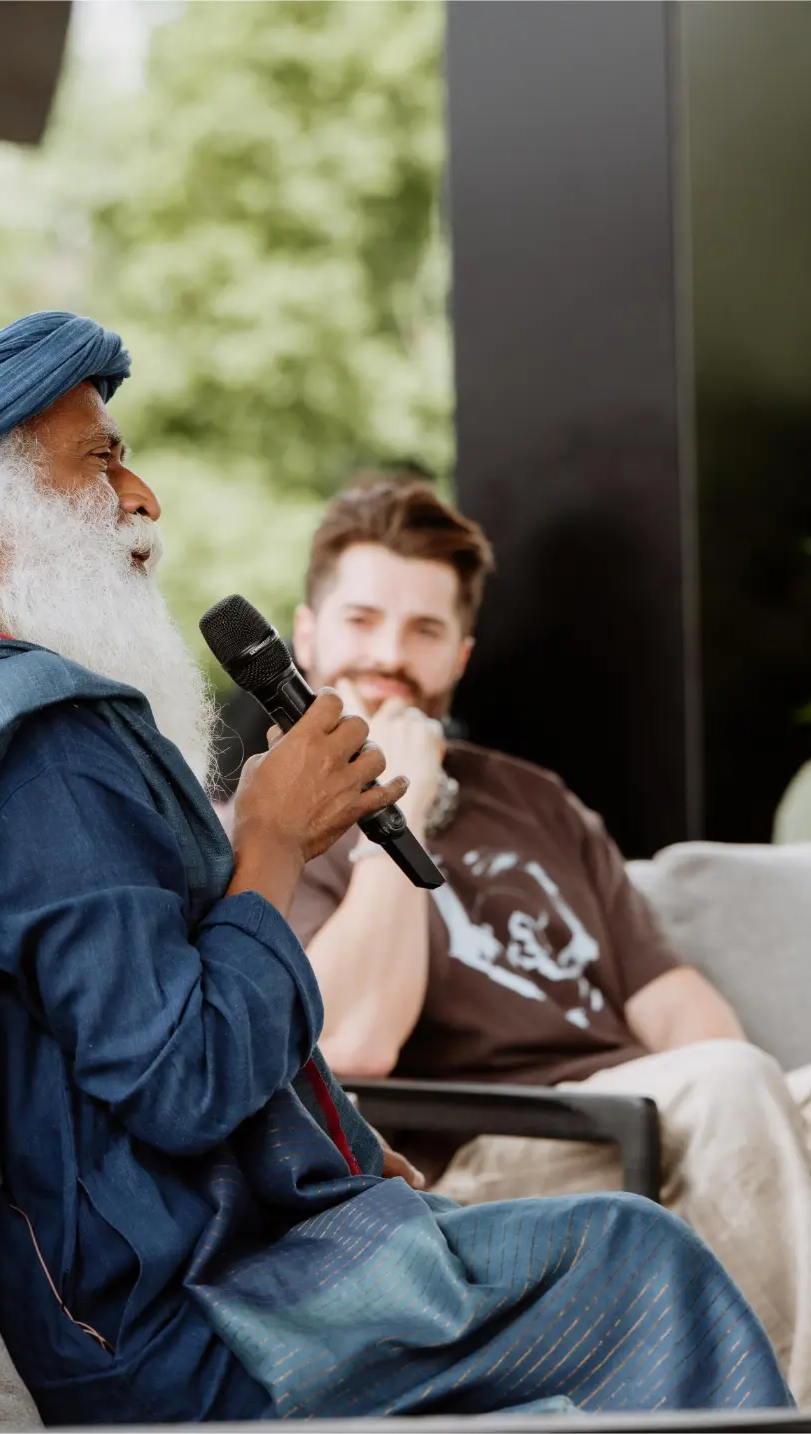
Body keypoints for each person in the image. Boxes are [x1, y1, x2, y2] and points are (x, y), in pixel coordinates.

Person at [0, 315, 792, 1426]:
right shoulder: (41, 741)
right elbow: (183, 1081)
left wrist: (332, 1134)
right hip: (187, 1323)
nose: (142, 498)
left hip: (99, 1301)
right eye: (100, 460)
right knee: (634, 1260)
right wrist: (273, 836)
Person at [284, 469, 811, 1405]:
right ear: (308, 633)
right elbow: (352, 1042)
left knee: (750, 1080)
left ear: (460, 654)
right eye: (362, 622)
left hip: (646, 1109)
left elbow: (681, 1011)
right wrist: (398, 808)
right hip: (492, 1143)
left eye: (424, 630)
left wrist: (745, 1100)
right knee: (730, 1085)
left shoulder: (536, 801)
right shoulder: (275, 822)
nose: (390, 655)